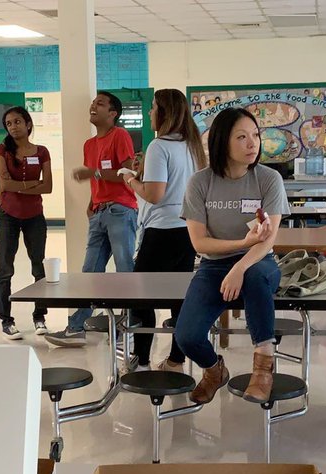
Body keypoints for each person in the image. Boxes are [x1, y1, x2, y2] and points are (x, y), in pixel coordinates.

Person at [173, 107, 289, 404]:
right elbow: (199, 243)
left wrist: (239, 266)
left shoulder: (269, 179)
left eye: (256, 135)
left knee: (255, 275)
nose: (253, 143)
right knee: (186, 336)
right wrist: (240, 243)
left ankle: (263, 367)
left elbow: (268, 239)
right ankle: (214, 371)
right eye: (241, 137)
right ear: (222, 141)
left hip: (259, 260)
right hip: (213, 266)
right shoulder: (200, 182)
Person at [121, 89, 206, 372]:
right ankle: (176, 361)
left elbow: (155, 195)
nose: (150, 112)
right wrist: (143, 170)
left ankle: (141, 360)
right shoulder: (192, 145)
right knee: (179, 295)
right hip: (188, 228)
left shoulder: (160, 145)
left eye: (153, 107)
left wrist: (131, 180)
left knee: (140, 295)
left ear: (164, 112)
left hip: (162, 230)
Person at [44, 91, 137, 347]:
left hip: (120, 210)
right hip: (98, 212)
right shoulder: (89, 144)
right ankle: (77, 327)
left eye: (100, 104)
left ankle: (128, 327)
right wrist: (91, 205)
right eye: (93, 103)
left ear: (113, 113)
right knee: (90, 272)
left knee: (124, 269)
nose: (93, 106)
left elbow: (127, 172)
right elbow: (95, 181)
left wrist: (94, 172)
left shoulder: (120, 135)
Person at [0, 106, 52, 340]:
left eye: (17, 121)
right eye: (8, 123)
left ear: (28, 124)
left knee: (39, 268)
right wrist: (33, 185)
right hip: (8, 215)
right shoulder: (2, 150)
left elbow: (48, 186)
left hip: (34, 216)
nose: (13, 127)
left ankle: (40, 317)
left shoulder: (42, 151)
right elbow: (5, 185)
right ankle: (6, 321)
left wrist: (19, 186)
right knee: (5, 269)